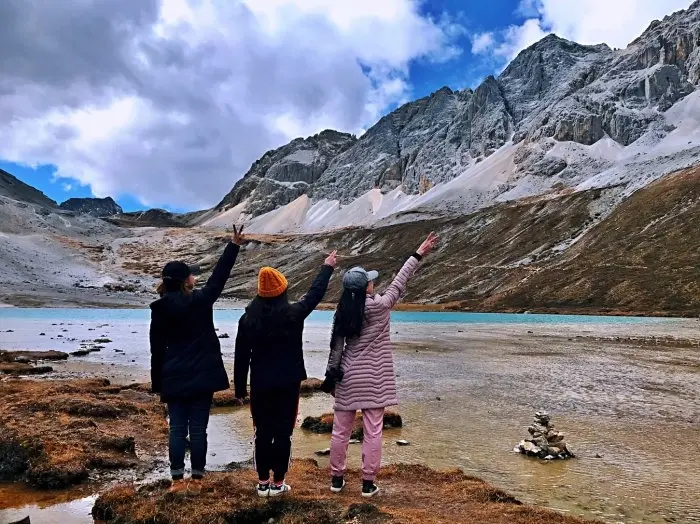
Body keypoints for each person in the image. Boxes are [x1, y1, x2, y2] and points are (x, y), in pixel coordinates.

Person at [323, 232, 438, 497]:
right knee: (373, 432)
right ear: (366, 287)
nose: (373, 283)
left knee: (341, 432)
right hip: (375, 380)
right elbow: (400, 280)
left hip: (348, 377)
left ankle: (337, 479)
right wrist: (418, 253)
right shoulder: (382, 306)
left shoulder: (342, 312)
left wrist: (331, 378)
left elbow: (336, 348)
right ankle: (367, 483)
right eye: (370, 282)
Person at [150, 225, 246, 497]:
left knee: (177, 429)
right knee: (199, 430)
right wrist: (233, 246)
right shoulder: (201, 301)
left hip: (174, 377)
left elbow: (156, 349)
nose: (194, 277)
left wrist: (159, 385)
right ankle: (199, 479)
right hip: (202, 377)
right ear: (184, 281)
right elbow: (219, 278)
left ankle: (177, 480)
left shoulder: (159, 309)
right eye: (190, 274)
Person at [234, 250, 338, 498]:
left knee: (262, 432)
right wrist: (327, 267)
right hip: (288, 383)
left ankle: (262, 483)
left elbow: (240, 358)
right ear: (282, 291)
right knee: (283, 432)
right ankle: (278, 482)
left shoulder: (247, 319)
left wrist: (240, 390)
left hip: (260, 384)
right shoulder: (293, 314)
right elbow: (314, 295)